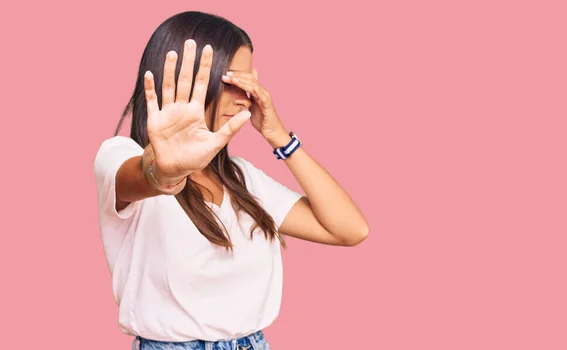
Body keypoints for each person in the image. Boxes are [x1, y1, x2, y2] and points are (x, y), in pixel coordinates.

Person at [94, 10, 369, 350]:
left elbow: (350, 229)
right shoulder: (118, 155)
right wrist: (167, 170)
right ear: (185, 76)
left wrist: (280, 137)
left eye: (249, 84)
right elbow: (148, 176)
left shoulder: (242, 178)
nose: (245, 98)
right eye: (230, 81)